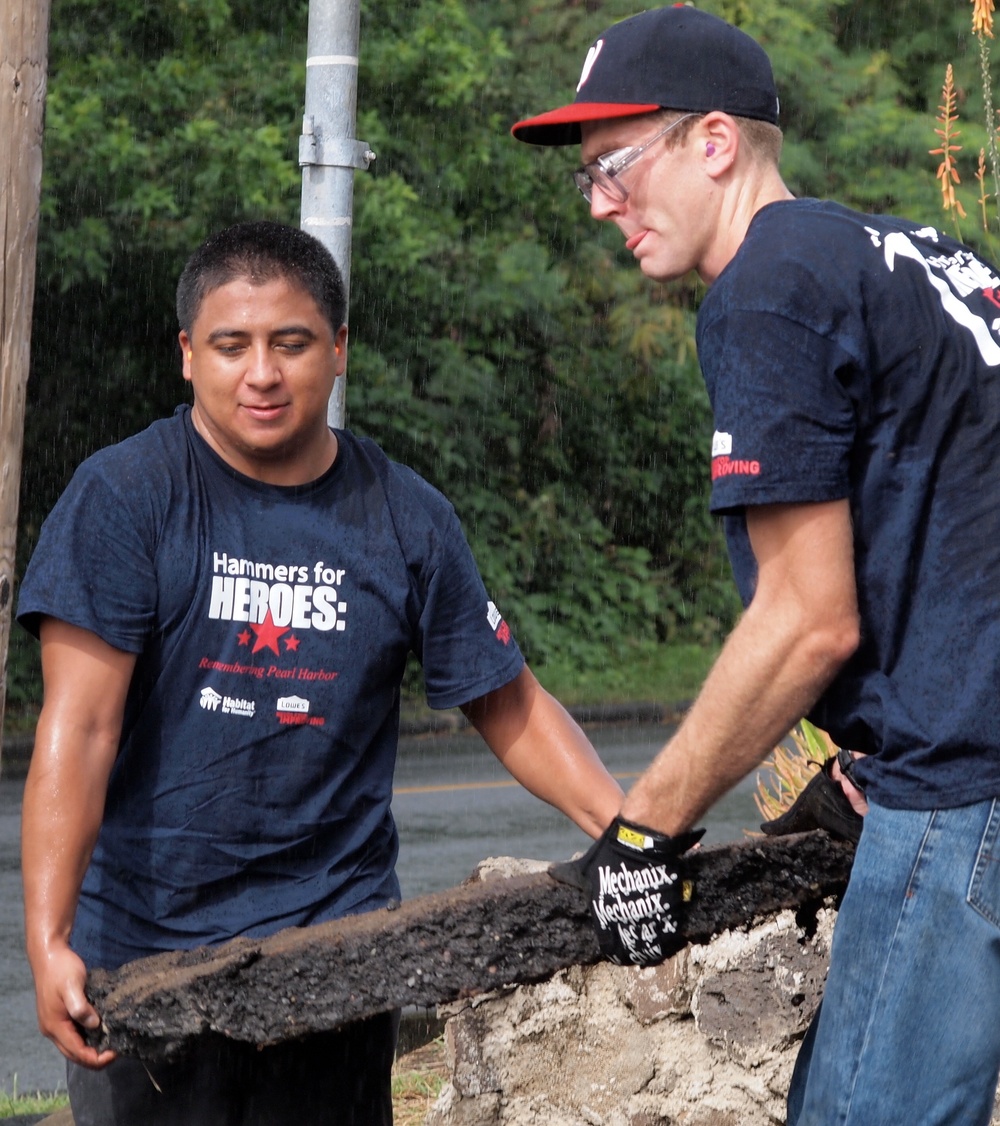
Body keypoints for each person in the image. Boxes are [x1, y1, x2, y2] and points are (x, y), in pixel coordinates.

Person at [17, 219, 624, 1126]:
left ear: (338, 350)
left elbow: (508, 703)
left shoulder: (406, 518)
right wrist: (47, 939)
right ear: (187, 355)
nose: (261, 372)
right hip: (146, 971)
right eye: (232, 345)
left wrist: (629, 834)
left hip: (337, 967)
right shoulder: (125, 497)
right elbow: (80, 730)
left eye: (291, 343)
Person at [513, 6, 1000, 1124]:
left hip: (963, 786)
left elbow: (805, 620)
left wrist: (646, 832)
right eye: (586, 178)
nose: (598, 203)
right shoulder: (929, 258)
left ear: (715, 143)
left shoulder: (768, 289)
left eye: (615, 166)